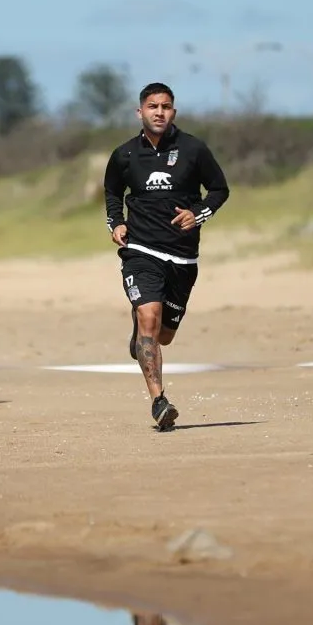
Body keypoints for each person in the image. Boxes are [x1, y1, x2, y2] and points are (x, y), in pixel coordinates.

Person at [103, 83, 230, 431]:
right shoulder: (124, 155)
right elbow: (113, 191)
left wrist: (198, 214)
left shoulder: (193, 149)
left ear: (174, 111)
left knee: (164, 335)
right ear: (139, 112)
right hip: (141, 251)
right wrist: (116, 223)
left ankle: (141, 331)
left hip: (183, 257)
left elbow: (220, 189)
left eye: (166, 106)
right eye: (152, 106)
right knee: (149, 316)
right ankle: (159, 401)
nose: (159, 112)